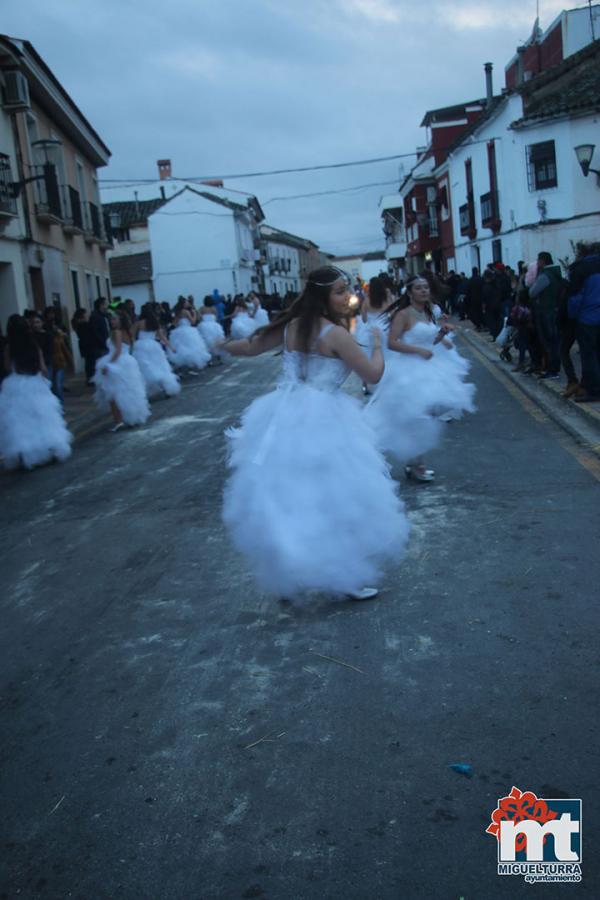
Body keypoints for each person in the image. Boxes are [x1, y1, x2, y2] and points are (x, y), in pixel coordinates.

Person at [220, 265, 409, 601]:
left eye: (346, 290)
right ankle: (343, 575)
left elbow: (250, 347)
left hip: (284, 414)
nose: (347, 297)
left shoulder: (292, 325)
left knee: (294, 496)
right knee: (339, 497)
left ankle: (295, 575)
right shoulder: (334, 335)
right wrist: (378, 345)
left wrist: (220, 345)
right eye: (339, 291)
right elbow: (372, 375)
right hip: (325, 418)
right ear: (322, 295)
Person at [365, 275, 476, 483]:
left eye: (426, 287)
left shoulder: (427, 313)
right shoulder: (403, 314)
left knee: (429, 414)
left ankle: (414, 461)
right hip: (409, 370)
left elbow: (429, 339)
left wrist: (442, 333)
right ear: (410, 292)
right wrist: (417, 351)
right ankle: (416, 464)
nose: (424, 291)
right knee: (417, 417)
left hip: (429, 367)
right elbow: (392, 343)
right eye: (419, 288)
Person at [0, 315, 72, 469]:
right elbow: (43, 368)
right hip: (35, 382)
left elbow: (7, 366)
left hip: (16, 385)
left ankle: (25, 456)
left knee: (20, 422)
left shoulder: (9, 347)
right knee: (44, 419)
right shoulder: (33, 344)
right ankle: (52, 449)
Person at [92, 308, 150, 432]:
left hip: (118, 362)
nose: (111, 321)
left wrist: (108, 365)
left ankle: (118, 421)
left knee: (112, 394)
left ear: (120, 320)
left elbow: (117, 350)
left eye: (114, 319)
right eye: (111, 319)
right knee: (129, 391)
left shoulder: (116, 332)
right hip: (128, 362)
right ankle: (132, 417)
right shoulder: (127, 332)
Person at [568, 242, 600, 402]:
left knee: (589, 355)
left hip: (587, 319)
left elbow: (575, 299)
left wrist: (571, 316)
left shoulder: (580, 269)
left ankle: (594, 390)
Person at [528, 252, 564, 379]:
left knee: (549, 342)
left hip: (545, 310)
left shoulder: (545, 275)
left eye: (538, 260)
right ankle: (553, 367)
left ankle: (552, 369)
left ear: (543, 261)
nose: (537, 263)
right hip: (553, 309)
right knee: (554, 341)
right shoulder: (556, 273)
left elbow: (532, 292)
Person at [133, 305, 181, 398]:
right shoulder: (155, 323)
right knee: (160, 367)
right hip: (154, 346)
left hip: (141, 347)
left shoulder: (138, 323)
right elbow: (162, 337)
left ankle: (147, 390)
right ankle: (166, 387)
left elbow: (131, 335)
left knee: (144, 368)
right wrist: (171, 347)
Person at [166, 297, 210, 373]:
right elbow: (193, 322)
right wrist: (195, 314)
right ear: (183, 304)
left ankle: (183, 368)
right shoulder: (186, 312)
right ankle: (189, 367)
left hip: (179, 332)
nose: (188, 303)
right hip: (188, 331)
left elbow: (175, 324)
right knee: (192, 348)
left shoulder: (177, 312)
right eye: (186, 302)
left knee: (182, 349)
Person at [89, 297, 111, 376]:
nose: (106, 306)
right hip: (100, 347)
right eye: (104, 304)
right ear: (100, 305)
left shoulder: (104, 316)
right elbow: (95, 332)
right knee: (102, 366)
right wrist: (103, 343)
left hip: (106, 344)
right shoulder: (95, 317)